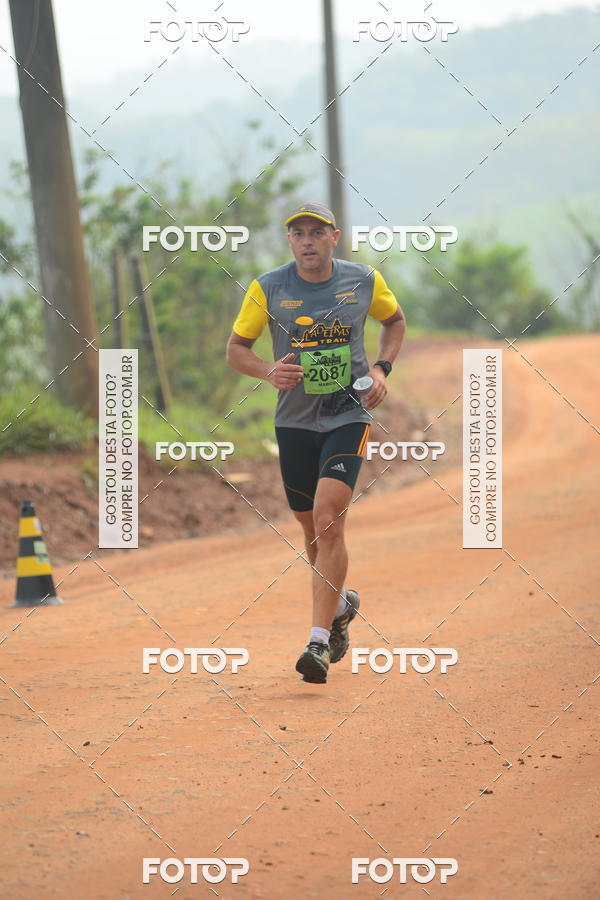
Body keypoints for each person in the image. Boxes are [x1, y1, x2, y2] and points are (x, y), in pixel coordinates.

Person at [226, 202, 406, 683]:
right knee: (310, 532)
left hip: (348, 413)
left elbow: (395, 321)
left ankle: (317, 643)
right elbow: (236, 350)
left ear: (334, 237)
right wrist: (268, 370)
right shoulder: (268, 287)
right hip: (295, 422)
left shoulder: (363, 279)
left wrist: (380, 368)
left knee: (329, 523)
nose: (307, 241)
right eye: (298, 233)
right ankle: (341, 605)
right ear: (290, 241)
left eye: (317, 232)